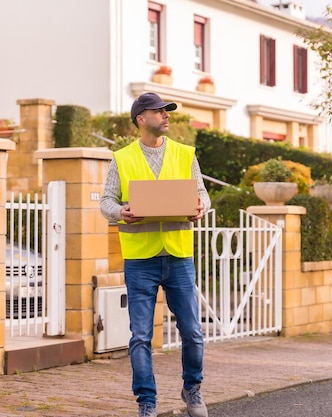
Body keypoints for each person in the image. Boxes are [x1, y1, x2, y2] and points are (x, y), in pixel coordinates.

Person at [99, 92, 210, 417]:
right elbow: (105, 202)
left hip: (178, 257)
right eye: (158, 111)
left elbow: (202, 193)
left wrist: (201, 207)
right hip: (140, 261)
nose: (166, 115)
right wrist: (121, 212)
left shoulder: (184, 154)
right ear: (140, 119)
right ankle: (147, 403)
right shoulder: (122, 158)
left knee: (192, 331)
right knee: (141, 336)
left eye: (166, 111)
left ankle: (192, 389)